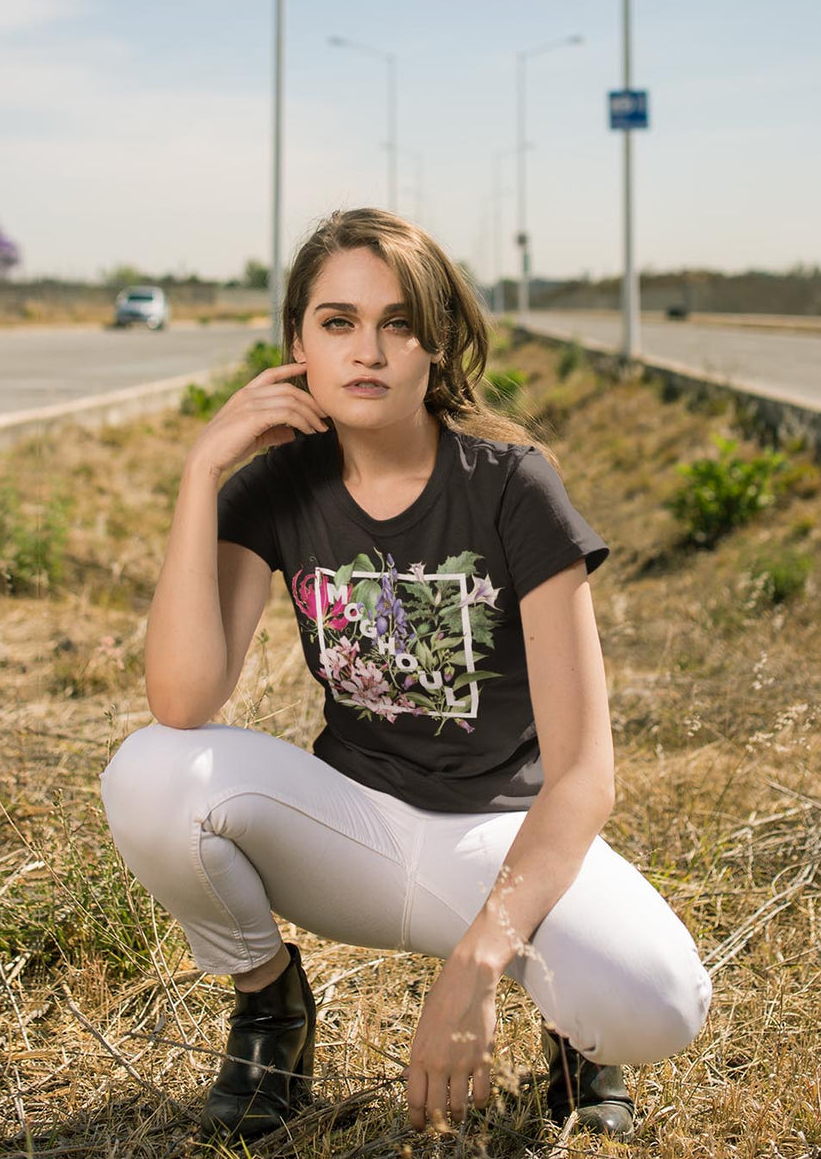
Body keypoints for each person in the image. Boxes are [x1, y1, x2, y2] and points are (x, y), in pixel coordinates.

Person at [101, 208, 711, 1140]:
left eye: (398, 323)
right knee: (150, 771)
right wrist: (202, 471)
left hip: (499, 839)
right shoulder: (274, 486)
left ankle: (578, 1037)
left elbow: (586, 775)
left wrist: (474, 967)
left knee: (660, 998)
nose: (368, 350)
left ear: (438, 342)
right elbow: (183, 700)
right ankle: (270, 1009)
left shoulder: (512, 485)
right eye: (337, 321)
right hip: (353, 829)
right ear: (297, 341)